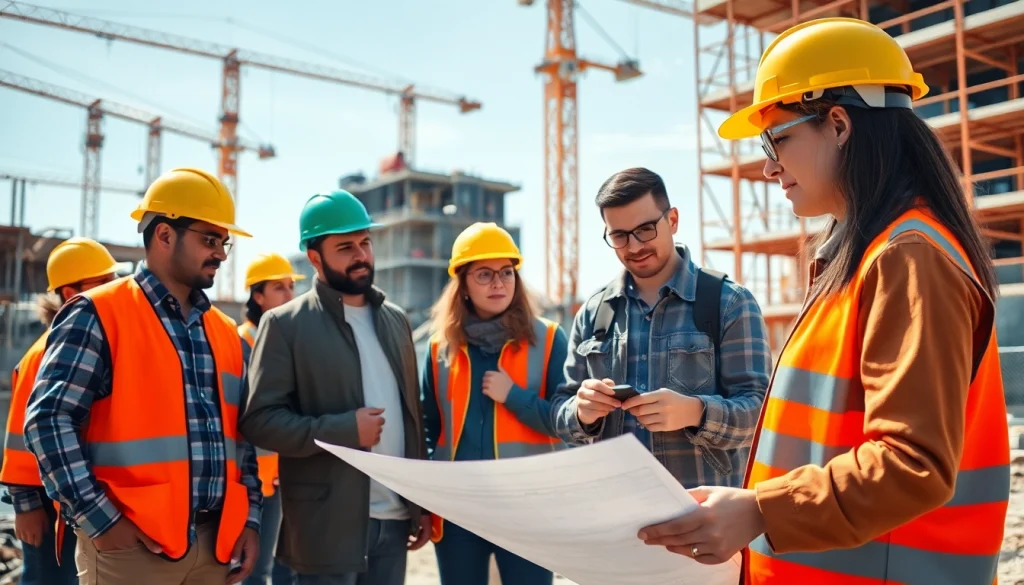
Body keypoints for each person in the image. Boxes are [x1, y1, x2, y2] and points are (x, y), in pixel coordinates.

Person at [635, 18, 1011, 585]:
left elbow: (913, 466)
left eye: (777, 138)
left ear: (838, 124)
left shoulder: (909, 257)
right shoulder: (868, 257)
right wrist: (751, 507)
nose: (768, 166)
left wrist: (762, 510)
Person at [24, 167, 263, 585]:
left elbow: (240, 438)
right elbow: (48, 421)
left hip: (215, 549)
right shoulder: (96, 313)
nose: (222, 254)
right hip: (130, 552)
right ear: (164, 235)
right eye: (210, 239)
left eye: (223, 241)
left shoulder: (224, 332)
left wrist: (251, 520)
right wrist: (102, 521)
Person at [239, 190, 431, 585]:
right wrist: (343, 431)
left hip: (395, 522)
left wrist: (419, 504)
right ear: (314, 258)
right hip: (326, 525)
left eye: (365, 243)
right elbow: (260, 422)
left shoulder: (397, 321)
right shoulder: (285, 325)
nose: (361, 255)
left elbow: (412, 417)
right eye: (345, 247)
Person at [549, 166, 771, 489]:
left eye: (646, 229)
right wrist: (582, 413)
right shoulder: (593, 312)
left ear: (673, 220)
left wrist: (695, 412)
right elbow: (560, 411)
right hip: (616, 514)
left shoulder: (730, 303)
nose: (635, 246)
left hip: (701, 519)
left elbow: (762, 417)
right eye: (620, 236)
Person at [422, 222, 567, 585]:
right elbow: (429, 429)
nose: (499, 283)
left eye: (506, 273)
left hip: (528, 508)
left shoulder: (549, 338)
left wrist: (514, 397)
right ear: (464, 285)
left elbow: (567, 422)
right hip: (458, 510)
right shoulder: (439, 349)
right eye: (484, 274)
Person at [0, 237, 119, 585]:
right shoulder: (44, 353)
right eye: (104, 283)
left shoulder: (92, 340)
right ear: (70, 293)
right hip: (48, 503)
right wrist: (26, 507)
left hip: (78, 495)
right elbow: (22, 437)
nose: (115, 290)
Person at [239, 253, 305, 585]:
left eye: (291, 287)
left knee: (286, 569)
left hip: (285, 477)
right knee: (256, 571)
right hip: (255, 483)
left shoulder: (285, 343)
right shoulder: (240, 344)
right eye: (279, 287)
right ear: (257, 295)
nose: (289, 295)